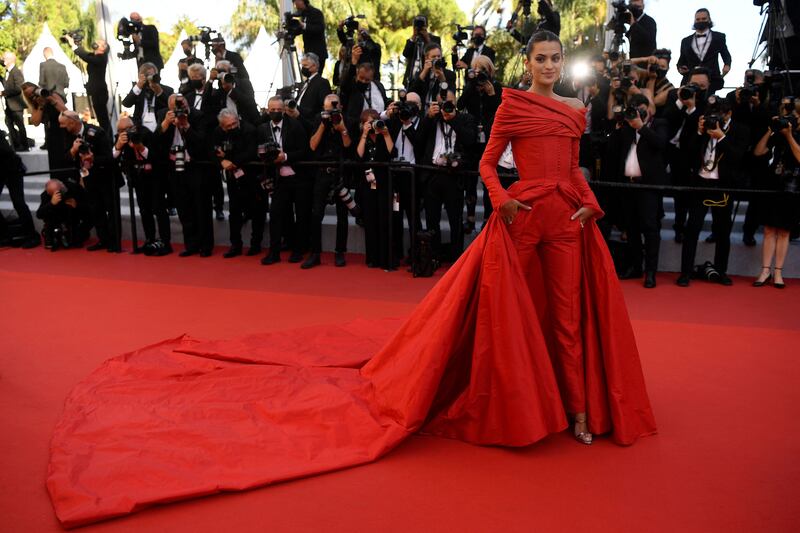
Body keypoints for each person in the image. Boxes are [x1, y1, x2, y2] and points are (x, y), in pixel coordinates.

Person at [45, 33, 657, 527]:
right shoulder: (513, 105)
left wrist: (591, 206)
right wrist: (500, 198)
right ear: (528, 64)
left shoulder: (575, 111)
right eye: (541, 59)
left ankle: (578, 411)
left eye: (556, 59)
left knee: (568, 317)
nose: (549, 66)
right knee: (504, 314)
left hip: (569, 223)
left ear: (563, 64)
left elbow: (576, 171)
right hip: (521, 218)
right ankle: (516, 400)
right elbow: (486, 164)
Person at [677, 96, 750, 287]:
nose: (715, 119)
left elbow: (738, 157)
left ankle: (721, 271)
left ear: (729, 114)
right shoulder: (702, 127)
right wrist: (700, 133)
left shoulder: (740, 130)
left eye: (720, 115)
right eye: (712, 115)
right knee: (691, 229)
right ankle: (685, 272)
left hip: (723, 186)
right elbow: (687, 153)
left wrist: (722, 138)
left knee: (722, 231)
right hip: (700, 184)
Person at [607, 93, 669, 288]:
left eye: (640, 108)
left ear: (648, 108)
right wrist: (618, 129)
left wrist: (641, 127)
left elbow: (661, 143)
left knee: (650, 229)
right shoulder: (625, 128)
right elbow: (612, 152)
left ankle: (651, 272)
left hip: (648, 187)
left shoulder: (659, 124)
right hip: (627, 186)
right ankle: (636, 267)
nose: (637, 112)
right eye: (633, 108)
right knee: (631, 229)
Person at [417, 89, 477, 261]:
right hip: (432, 174)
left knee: (455, 220)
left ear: (456, 102)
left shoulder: (465, 119)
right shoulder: (431, 120)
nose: (445, 107)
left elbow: (470, 140)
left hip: (454, 175)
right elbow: (418, 140)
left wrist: (454, 120)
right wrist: (428, 118)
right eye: (442, 103)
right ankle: (433, 255)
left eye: (449, 103)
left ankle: (456, 258)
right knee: (431, 219)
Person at [155, 94, 213, 257]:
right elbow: (156, 141)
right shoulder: (163, 115)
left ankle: (205, 245)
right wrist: (166, 124)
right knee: (183, 207)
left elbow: (201, 142)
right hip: (175, 166)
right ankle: (191, 244)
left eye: (182, 104)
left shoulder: (198, 116)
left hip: (196, 166)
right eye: (175, 106)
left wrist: (186, 125)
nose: (179, 108)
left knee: (201, 207)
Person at [751, 103, 800, 289]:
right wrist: (770, 130)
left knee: (784, 231)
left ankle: (778, 271)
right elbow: (758, 152)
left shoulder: (794, 136)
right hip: (772, 185)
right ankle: (765, 271)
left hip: (792, 187)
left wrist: (789, 137)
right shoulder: (777, 135)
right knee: (769, 230)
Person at [260, 97, 313, 266]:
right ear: (268, 110)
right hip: (279, 178)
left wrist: (286, 156)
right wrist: (268, 159)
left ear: (283, 110)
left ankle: (299, 250)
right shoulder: (262, 128)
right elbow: (259, 150)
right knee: (275, 214)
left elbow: (305, 150)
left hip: (299, 177)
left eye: (278, 109)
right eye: (272, 109)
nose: (275, 112)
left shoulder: (295, 125)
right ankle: (274, 252)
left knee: (302, 214)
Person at [59, 110, 120, 252]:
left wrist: (93, 159)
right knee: (96, 210)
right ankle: (103, 240)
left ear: (72, 122)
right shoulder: (68, 135)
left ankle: (114, 242)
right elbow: (65, 159)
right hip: (88, 179)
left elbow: (110, 157)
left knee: (112, 211)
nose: (61, 127)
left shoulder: (97, 133)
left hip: (106, 177)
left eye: (63, 124)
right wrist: (73, 151)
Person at [302, 94, 351, 268]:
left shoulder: (347, 120)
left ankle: (340, 252)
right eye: (327, 110)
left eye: (333, 109)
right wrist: (323, 125)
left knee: (342, 216)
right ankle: (315, 253)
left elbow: (348, 145)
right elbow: (313, 145)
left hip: (340, 173)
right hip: (322, 173)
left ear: (341, 107)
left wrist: (342, 128)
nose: (331, 113)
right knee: (316, 215)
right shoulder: (318, 120)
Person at [457, 55, 502, 233]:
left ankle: (487, 218)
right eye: (476, 69)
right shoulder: (471, 88)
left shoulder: (496, 87)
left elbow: (500, 112)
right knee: (470, 180)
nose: (480, 74)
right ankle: (470, 217)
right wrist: (470, 86)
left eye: (483, 70)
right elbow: (460, 105)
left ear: (489, 71)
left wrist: (491, 94)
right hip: (471, 140)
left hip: (490, 140)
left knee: (488, 181)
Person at [114, 116, 171, 255]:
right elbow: (113, 157)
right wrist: (118, 146)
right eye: (120, 130)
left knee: (159, 209)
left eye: (126, 129)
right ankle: (149, 239)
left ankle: (165, 242)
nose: (124, 133)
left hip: (154, 178)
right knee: (144, 211)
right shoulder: (120, 139)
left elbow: (156, 156)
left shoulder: (146, 133)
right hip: (138, 179)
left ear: (133, 127)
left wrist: (140, 147)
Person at [213, 109, 262, 258]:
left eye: (235, 123)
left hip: (252, 176)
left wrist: (229, 159)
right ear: (222, 126)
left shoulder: (249, 130)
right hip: (233, 178)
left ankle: (255, 245)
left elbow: (251, 152)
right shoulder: (218, 132)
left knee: (256, 211)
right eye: (229, 126)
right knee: (234, 212)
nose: (233, 127)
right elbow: (212, 149)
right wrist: (222, 161)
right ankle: (235, 245)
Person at [356, 109, 399, 269]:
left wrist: (386, 134)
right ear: (362, 124)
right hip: (367, 185)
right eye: (369, 122)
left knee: (385, 219)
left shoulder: (383, 135)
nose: (373, 124)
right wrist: (365, 134)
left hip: (384, 182)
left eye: (374, 120)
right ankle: (372, 258)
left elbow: (392, 153)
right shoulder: (362, 137)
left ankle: (386, 258)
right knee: (371, 221)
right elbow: (358, 156)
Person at [0, 128, 39, 247]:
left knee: (19, 202)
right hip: (4, 169)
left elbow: (6, 152)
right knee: (19, 202)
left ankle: (32, 235)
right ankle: (4, 234)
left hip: (12, 170)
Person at [677, 9, 731, 93]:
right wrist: (680, 68)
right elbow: (681, 61)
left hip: (711, 80)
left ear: (709, 20)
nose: (700, 21)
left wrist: (727, 65)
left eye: (703, 19)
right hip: (690, 80)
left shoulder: (719, 37)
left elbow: (726, 55)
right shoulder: (685, 41)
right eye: (698, 19)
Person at [68, 35, 112, 135]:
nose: (95, 43)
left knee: (103, 118)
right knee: (101, 117)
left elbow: (85, 56)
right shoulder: (95, 56)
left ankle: (108, 139)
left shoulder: (101, 58)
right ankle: (107, 137)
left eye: (99, 42)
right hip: (96, 91)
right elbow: (87, 55)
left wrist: (74, 46)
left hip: (100, 92)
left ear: (103, 48)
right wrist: (77, 45)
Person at [35, 178, 90, 250]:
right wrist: (51, 204)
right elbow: (39, 215)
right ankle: (51, 235)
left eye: (57, 192)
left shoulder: (74, 188)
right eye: (51, 193)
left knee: (78, 239)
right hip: (56, 219)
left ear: (61, 188)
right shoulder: (46, 194)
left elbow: (89, 206)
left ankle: (77, 234)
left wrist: (77, 205)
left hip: (73, 218)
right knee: (48, 214)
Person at [122, 62, 173, 133]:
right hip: (140, 129)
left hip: (159, 128)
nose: (150, 78)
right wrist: (138, 86)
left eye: (152, 75)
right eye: (147, 75)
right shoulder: (139, 90)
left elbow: (170, 105)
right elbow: (126, 104)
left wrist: (159, 91)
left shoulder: (167, 90)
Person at [408, 43, 457, 112]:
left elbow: (451, 95)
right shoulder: (421, 74)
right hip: (423, 113)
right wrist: (424, 72)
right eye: (433, 57)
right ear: (426, 58)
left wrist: (443, 80)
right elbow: (411, 93)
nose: (437, 59)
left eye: (439, 56)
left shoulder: (449, 74)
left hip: (440, 111)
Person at [1, 51, 29, 151]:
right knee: (8, 123)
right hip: (9, 105)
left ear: (9, 60)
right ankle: (15, 144)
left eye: (3, 58)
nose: (2, 60)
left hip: (16, 105)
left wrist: (3, 93)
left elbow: (18, 88)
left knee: (20, 125)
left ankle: (24, 145)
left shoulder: (16, 72)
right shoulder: (7, 72)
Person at [402, 15, 441, 88]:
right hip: (411, 77)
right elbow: (406, 54)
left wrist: (427, 38)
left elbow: (436, 52)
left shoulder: (435, 39)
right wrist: (413, 37)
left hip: (427, 77)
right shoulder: (412, 40)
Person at [292, 0, 327, 71]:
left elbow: (320, 28)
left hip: (318, 54)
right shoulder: (303, 15)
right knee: (307, 76)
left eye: (297, 1)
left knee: (315, 79)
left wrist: (304, 25)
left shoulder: (316, 13)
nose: (295, 4)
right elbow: (301, 30)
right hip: (308, 53)